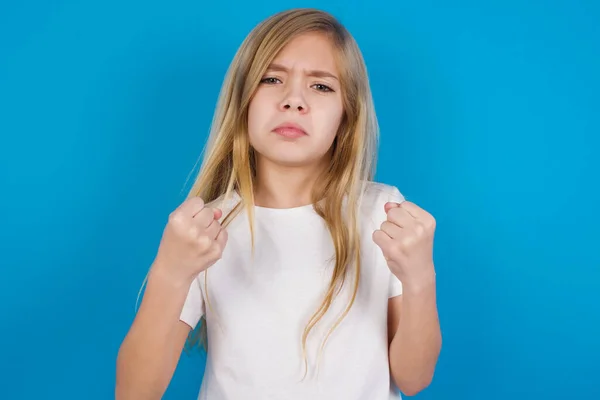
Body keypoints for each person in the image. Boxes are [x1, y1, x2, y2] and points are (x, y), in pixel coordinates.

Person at [115, 7, 441, 400]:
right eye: (272, 79)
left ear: (347, 114)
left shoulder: (382, 213)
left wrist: (420, 276)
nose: (293, 100)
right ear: (243, 103)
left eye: (321, 86)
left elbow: (414, 377)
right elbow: (135, 392)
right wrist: (170, 272)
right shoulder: (206, 230)